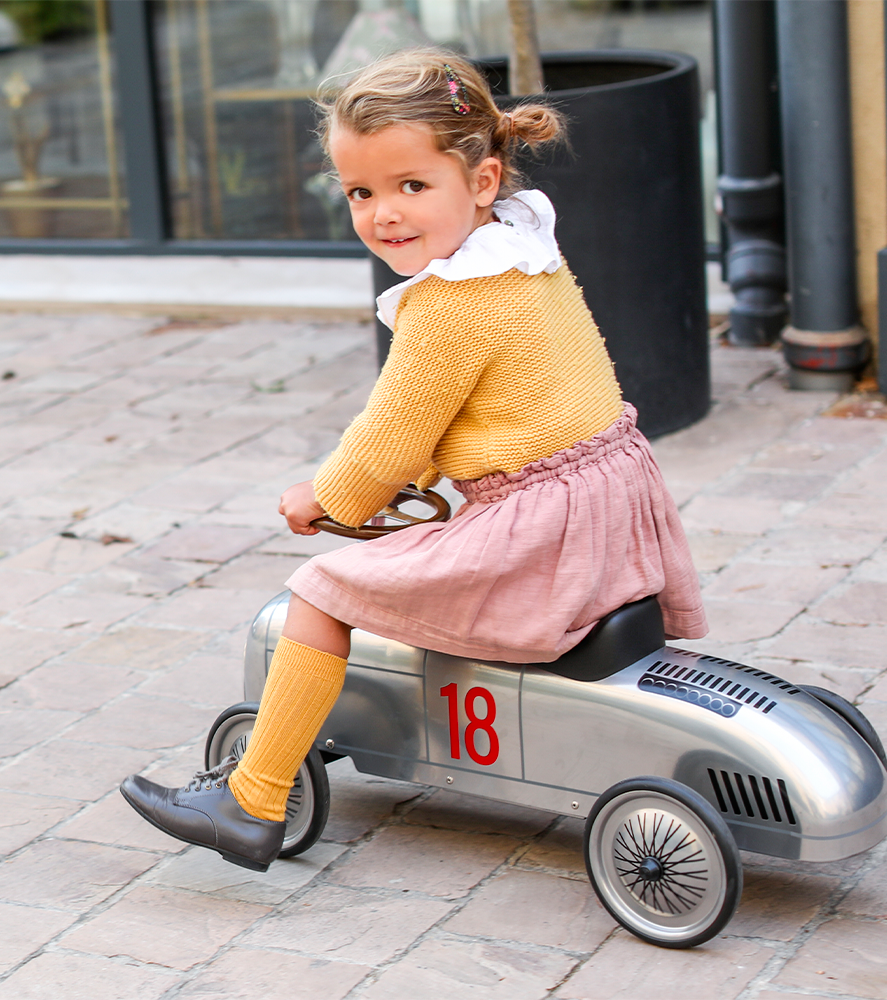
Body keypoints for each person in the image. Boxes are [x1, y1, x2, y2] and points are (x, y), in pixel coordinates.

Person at [120, 50, 708, 872]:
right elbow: (484, 412)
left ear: (481, 178)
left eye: (411, 186)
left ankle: (250, 802)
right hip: (607, 502)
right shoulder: (520, 248)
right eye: (362, 192)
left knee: (321, 593)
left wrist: (324, 498)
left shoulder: (450, 307)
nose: (384, 213)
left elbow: (386, 446)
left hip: (541, 531)